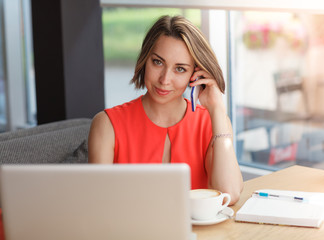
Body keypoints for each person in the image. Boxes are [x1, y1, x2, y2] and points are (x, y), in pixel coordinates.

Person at [88, 15, 243, 205]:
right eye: (158, 62)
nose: (164, 79)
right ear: (145, 60)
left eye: (180, 69)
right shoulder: (107, 125)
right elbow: (97, 206)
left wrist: (217, 108)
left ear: (195, 74)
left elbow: (230, 194)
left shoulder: (212, 123)